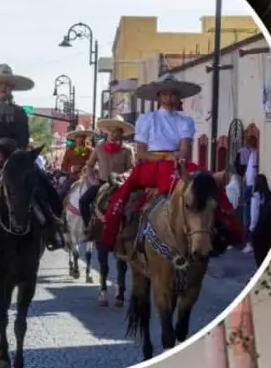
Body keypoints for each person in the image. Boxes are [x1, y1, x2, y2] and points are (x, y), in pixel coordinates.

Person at [99, 74, 244, 251]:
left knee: (207, 183)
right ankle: (113, 234)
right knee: (122, 193)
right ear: (158, 97)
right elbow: (143, 153)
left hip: (176, 164)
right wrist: (164, 158)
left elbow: (184, 149)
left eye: (174, 94)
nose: (170, 98)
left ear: (178, 97)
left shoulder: (185, 121)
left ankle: (225, 230)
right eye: (166, 94)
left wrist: (176, 159)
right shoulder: (146, 119)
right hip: (152, 165)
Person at [85, 116, 135, 182]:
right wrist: (92, 179)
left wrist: (124, 175)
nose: (111, 133)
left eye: (115, 131)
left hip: (120, 185)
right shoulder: (99, 147)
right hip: (101, 183)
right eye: (110, 130)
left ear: (121, 133)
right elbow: (89, 165)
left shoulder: (128, 150)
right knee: (88, 193)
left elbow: (132, 169)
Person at [248, 173, 271, 267]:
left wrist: (251, 229)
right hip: (268, 230)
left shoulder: (256, 196)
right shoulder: (270, 195)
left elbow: (254, 215)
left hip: (258, 231)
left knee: (259, 256)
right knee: (266, 255)